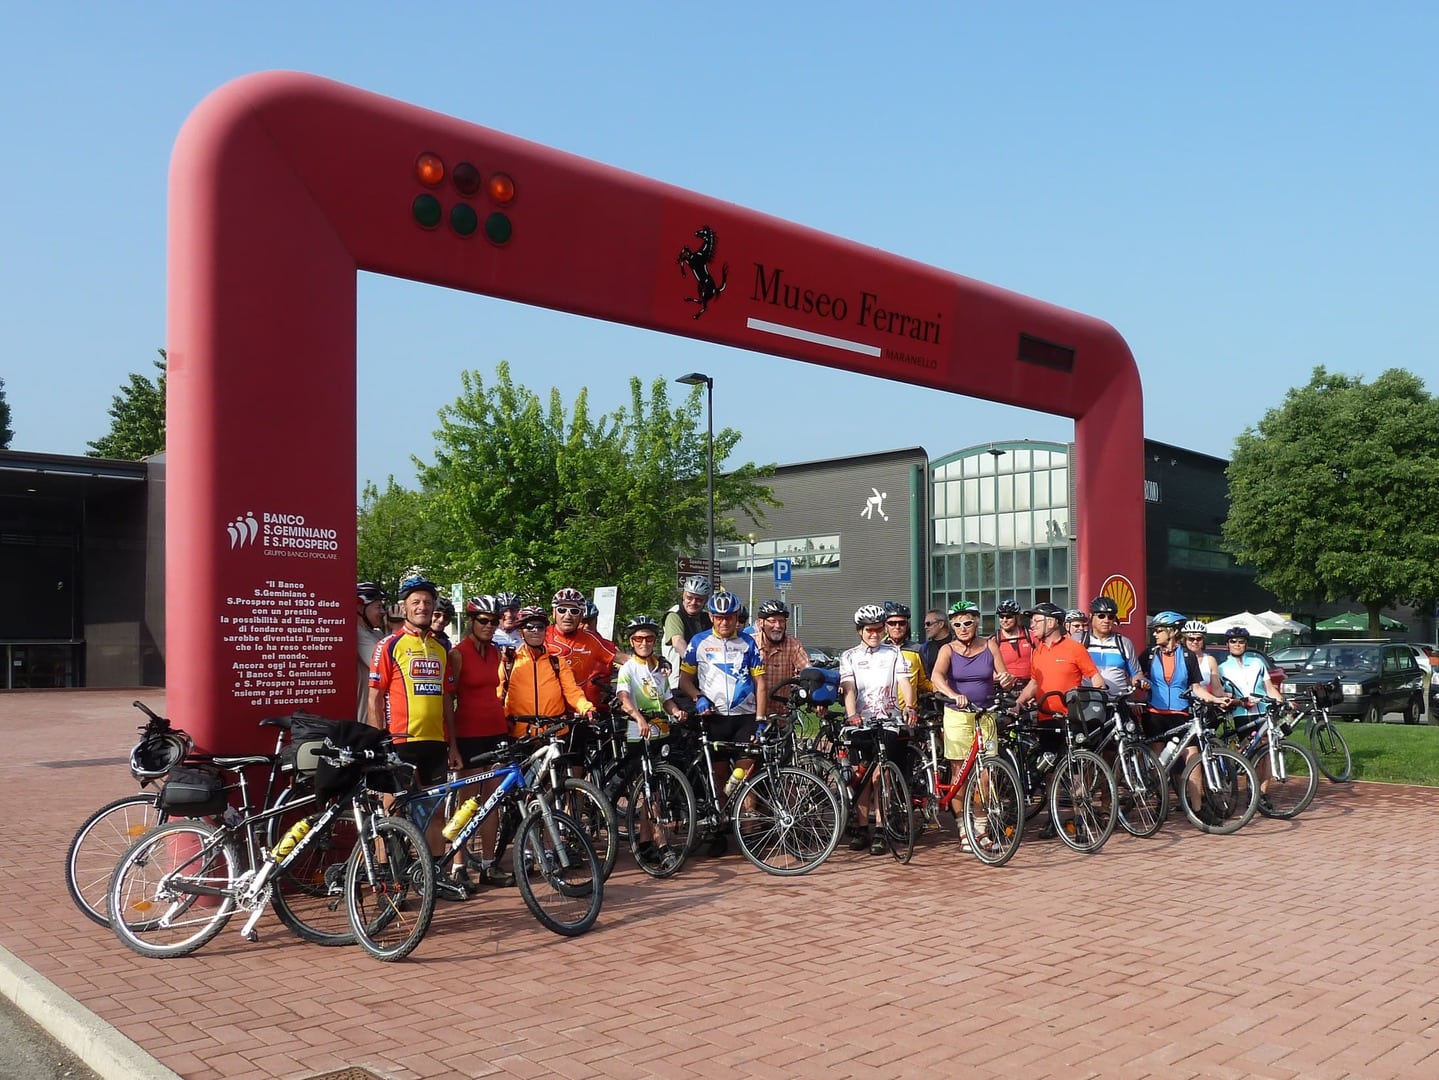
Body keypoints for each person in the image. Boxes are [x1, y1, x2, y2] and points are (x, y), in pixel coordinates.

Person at [367, 575, 466, 900]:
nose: (422, 607)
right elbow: (374, 697)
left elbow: (446, 702)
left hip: (434, 744)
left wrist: (451, 745)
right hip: (399, 743)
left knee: (435, 814)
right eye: (416, 602)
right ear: (405, 607)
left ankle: (432, 877)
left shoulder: (440, 648)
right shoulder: (390, 644)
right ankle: (389, 883)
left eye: (427, 602)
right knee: (392, 811)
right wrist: (379, 743)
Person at [678, 590, 767, 854]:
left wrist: (761, 718)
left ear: (737, 617)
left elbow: (761, 683)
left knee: (745, 770)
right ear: (711, 617)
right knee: (717, 775)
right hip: (714, 716)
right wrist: (697, 697)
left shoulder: (749, 644)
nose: (724, 623)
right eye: (718, 617)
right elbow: (684, 680)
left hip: (745, 716)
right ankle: (718, 829)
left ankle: (743, 824)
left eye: (729, 617)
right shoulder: (699, 642)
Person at [443, 595, 515, 890]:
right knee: (468, 802)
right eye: (483, 621)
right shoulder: (457, 654)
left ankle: (488, 865)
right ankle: (458, 864)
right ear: (471, 622)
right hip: (469, 735)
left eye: (494, 621)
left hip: (495, 732)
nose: (489, 626)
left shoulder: (497, 652)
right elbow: (448, 698)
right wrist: (453, 745)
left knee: (492, 802)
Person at [839, 603, 916, 855]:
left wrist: (911, 708)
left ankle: (881, 829)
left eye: (878, 629)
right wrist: (851, 715)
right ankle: (862, 828)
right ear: (860, 631)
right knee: (863, 779)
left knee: (881, 775)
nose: (875, 634)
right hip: (862, 721)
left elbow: (904, 683)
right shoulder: (849, 656)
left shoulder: (894, 654)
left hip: (890, 720)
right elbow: (849, 689)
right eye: (869, 630)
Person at [614, 615, 688, 862]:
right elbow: (624, 698)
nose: (644, 642)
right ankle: (662, 843)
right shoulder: (628, 667)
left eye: (649, 638)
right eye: (638, 638)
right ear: (632, 641)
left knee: (653, 790)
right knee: (651, 790)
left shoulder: (659, 668)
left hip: (661, 730)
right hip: (639, 732)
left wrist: (676, 711)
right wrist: (639, 718)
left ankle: (644, 841)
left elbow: (666, 699)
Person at [930, 601, 1013, 820]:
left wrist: (1006, 679)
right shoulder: (947, 649)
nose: (963, 628)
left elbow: (1004, 677)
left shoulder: (989, 645)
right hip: (957, 715)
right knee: (960, 771)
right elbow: (937, 676)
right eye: (957, 624)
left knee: (986, 773)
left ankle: (981, 826)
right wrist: (953, 694)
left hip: (985, 713)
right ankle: (962, 826)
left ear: (976, 623)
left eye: (967, 623)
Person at [500, 605, 598, 737]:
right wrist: (502, 720)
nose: (535, 630)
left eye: (540, 627)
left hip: (554, 732)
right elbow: (498, 695)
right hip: (520, 735)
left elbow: (572, 691)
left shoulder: (557, 662)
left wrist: (587, 709)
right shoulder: (509, 662)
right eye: (529, 626)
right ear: (520, 631)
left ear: (545, 631)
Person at [546, 587, 617, 696]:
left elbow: (626, 660)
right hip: (548, 707)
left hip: (581, 707)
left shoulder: (592, 639)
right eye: (562, 610)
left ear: (581, 615)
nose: (568, 616)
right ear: (554, 612)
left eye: (574, 611)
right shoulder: (541, 635)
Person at [753, 599, 809, 704]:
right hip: (753, 712)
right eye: (772, 621)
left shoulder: (792, 644)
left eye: (782, 621)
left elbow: (807, 670)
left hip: (782, 713)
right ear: (761, 623)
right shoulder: (750, 643)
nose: (778, 626)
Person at [1083, 597, 1142, 695]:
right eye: (1101, 616)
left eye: (1110, 617)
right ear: (1091, 616)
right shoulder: (1079, 640)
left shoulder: (1124, 643)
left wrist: (1141, 682)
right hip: (1087, 702)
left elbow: (1136, 674)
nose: (1106, 620)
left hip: (1117, 702)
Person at [663, 575, 713, 675]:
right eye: (689, 597)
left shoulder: (706, 617)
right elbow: (678, 642)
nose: (693, 602)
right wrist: (694, 665)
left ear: (706, 600)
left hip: (702, 679)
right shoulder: (675, 614)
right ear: (683, 595)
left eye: (699, 599)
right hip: (678, 678)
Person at [355, 582, 388, 726]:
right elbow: (386, 665)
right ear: (360, 607)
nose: (383, 612)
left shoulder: (377, 633)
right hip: (366, 720)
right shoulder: (357, 634)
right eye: (378, 607)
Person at [883, 601, 931, 697]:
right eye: (892, 623)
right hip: (882, 710)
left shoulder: (916, 649)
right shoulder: (878, 650)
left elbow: (924, 682)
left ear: (907, 625)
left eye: (902, 623)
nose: (897, 627)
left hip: (909, 710)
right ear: (885, 627)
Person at [993, 599, 1035, 686]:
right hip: (1005, 688)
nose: (1004, 620)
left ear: (1017, 617)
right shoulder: (994, 640)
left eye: (1009, 616)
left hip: (1029, 686)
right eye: (1001, 616)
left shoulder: (1031, 636)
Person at [1180, 620, 1225, 697]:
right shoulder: (1178, 659)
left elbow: (1216, 688)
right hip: (1181, 703)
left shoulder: (1210, 660)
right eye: (1191, 639)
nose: (1195, 642)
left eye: (1199, 639)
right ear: (1185, 640)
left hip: (1202, 703)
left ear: (1203, 640)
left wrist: (1224, 700)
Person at [916, 609, 954, 680]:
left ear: (941, 624)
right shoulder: (924, 649)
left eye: (928, 624)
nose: (925, 627)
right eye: (925, 624)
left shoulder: (958, 644)